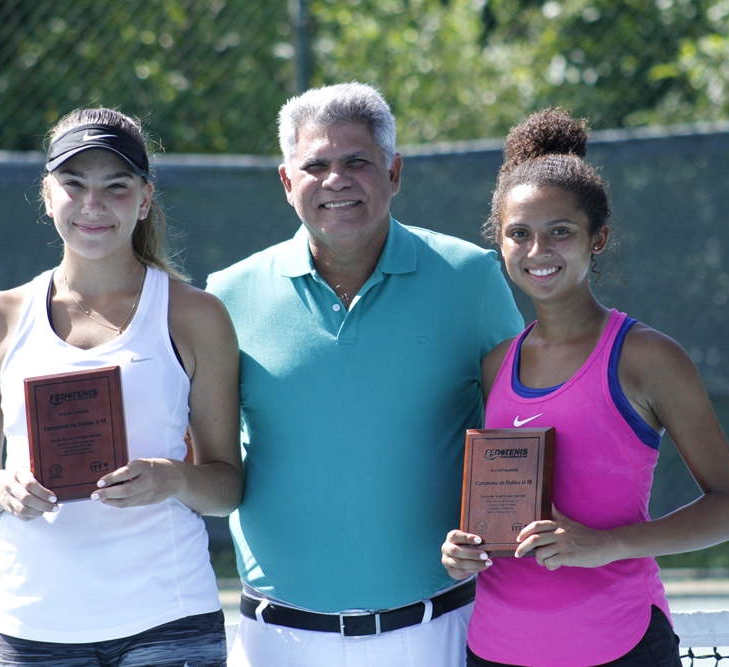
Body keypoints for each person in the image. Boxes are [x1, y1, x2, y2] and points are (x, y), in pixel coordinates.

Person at [205, 82, 524, 667]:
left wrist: (495, 531)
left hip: (438, 629)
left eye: (357, 162)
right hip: (275, 641)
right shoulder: (226, 294)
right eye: (315, 166)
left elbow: (519, 432)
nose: (336, 180)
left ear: (394, 172)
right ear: (287, 182)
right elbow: (208, 459)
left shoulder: (472, 277)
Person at [441, 108, 729, 667]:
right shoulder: (495, 365)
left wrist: (608, 545)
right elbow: (498, 506)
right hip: (494, 649)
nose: (538, 251)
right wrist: (465, 548)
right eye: (519, 234)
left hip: (622, 644)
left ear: (598, 239)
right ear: (501, 243)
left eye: (560, 231)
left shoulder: (649, 358)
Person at [0, 107, 242, 667]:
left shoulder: (196, 315)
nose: (93, 205)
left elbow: (226, 487)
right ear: (47, 194)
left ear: (145, 198)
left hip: (170, 618)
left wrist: (174, 477)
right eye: (74, 184)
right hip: (35, 623)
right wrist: (3, 489)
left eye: (116, 186)